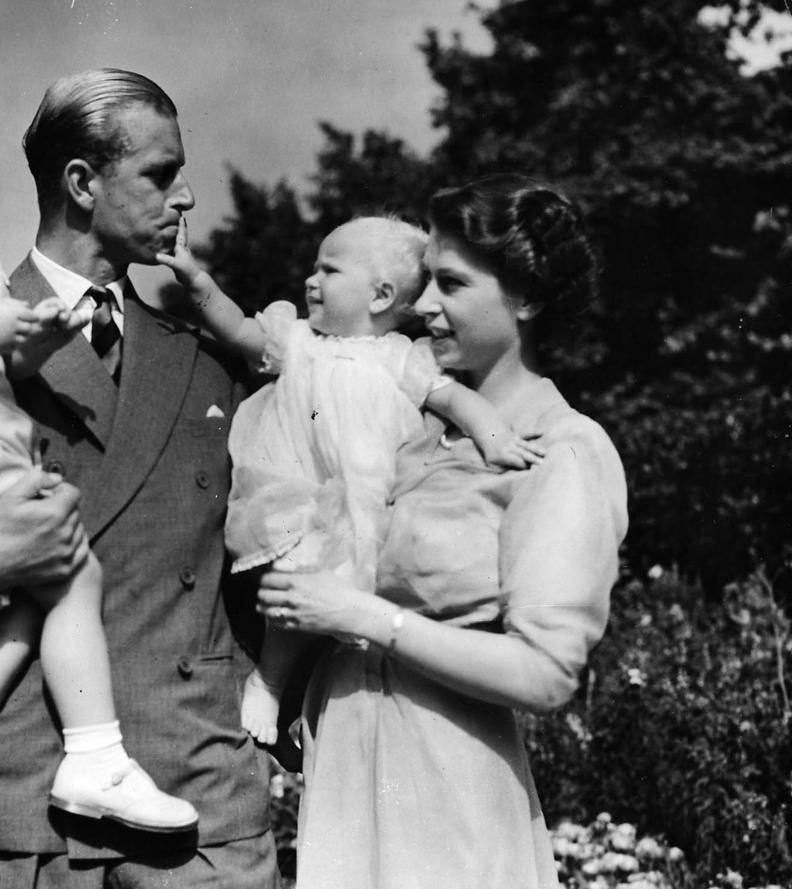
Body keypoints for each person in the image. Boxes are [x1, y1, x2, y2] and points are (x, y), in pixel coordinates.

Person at [0, 67, 279, 889]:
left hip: (198, 803)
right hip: (29, 810)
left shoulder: (206, 357)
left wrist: (265, 699)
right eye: (162, 173)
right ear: (82, 183)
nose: (186, 197)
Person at [255, 174, 629, 888]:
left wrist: (367, 616)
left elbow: (545, 673)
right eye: (424, 281)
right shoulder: (410, 431)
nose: (423, 305)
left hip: (450, 803)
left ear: (526, 298)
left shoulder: (561, 449)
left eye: (451, 285)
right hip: (344, 783)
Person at [157, 215, 544, 746]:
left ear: (381, 295)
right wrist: (198, 284)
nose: (311, 280)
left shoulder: (401, 359)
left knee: (346, 609)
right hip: (299, 495)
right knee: (298, 588)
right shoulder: (299, 342)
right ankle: (269, 681)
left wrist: (493, 434)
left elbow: (454, 398)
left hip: (367, 506)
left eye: (329, 270)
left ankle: (310, 706)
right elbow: (242, 331)